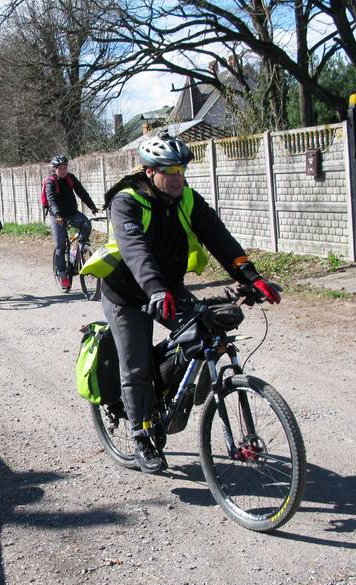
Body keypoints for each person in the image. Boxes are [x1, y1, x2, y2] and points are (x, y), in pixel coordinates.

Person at [86, 131, 281, 474]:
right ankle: (141, 435)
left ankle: (162, 393)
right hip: (127, 293)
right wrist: (156, 289)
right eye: (170, 171)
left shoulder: (187, 198)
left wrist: (250, 276)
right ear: (150, 171)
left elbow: (218, 236)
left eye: (181, 171)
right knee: (135, 364)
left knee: (206, 336)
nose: (178, 179)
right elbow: (135, 250)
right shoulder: (126, 201)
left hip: (167, 288)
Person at [46, 155, 98, 291]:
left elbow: (81, 192)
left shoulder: (70, 178)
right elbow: (51, 200)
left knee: (86, 223)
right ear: (55, 169)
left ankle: (79, 247)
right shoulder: (50, 182)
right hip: (57, 216)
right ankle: (63, 275)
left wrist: (92, 206)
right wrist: (57, 214)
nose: (63, 170)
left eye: (65, 167)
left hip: (72, 213)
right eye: (60, 168)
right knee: (60, 245)